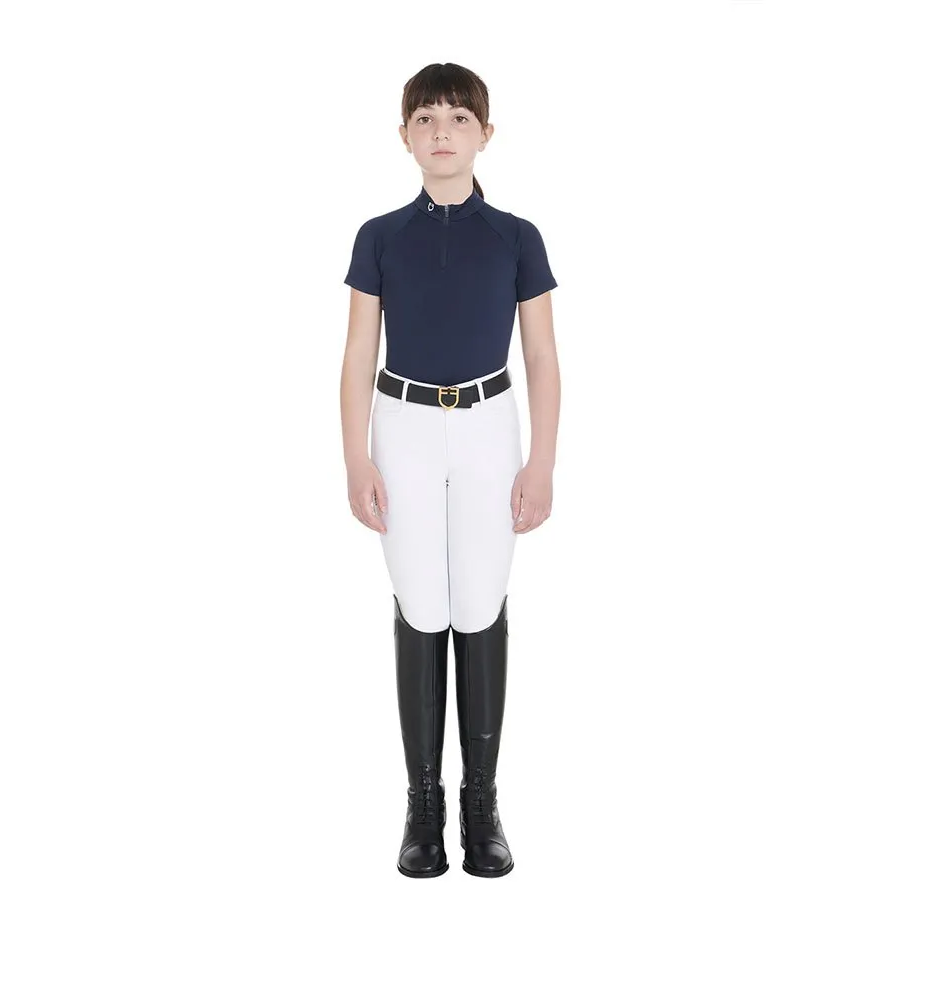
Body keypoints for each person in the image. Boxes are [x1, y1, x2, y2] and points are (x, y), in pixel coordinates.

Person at [339, 62, 561, 878]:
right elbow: (358, 352)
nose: (442, 132)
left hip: (487, 426)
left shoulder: (516, 237)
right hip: (401, 425)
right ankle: (423, 807)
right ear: (404, 136)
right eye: (426, 118)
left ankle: (482, 805)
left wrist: (541, 461)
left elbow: (542, 356)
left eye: (459, 118)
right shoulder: (379, 236)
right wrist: (356, 455)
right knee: (421, 604)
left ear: (485, 134)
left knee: (479, 601)